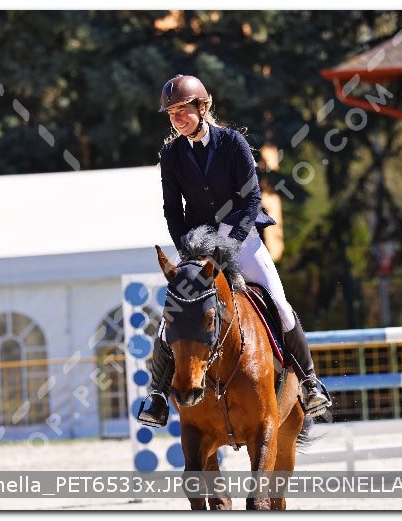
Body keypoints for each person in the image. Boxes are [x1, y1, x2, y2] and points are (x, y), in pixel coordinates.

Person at [137, 74, 330, 428]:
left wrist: (231, 239)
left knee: (278, 301)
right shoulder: (171, 154)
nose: (177, 118)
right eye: (171, 113)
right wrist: (188, 252)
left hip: (241, 236)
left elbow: (252, 198)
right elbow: (172, 211)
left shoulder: (233, 143)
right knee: (173, 317)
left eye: (183, 110)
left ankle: (309, 382)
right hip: (198, 243)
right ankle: (158, 395)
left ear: (202, 107)